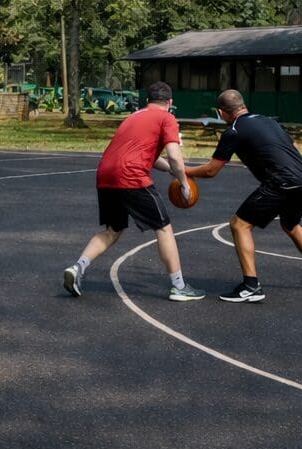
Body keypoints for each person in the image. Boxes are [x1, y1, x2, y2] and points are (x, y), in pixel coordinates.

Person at [185, 89, 302, 302]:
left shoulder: (233, 131)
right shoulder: (269, 121)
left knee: (239, 224)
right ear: (243, 105)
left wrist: (185, 170)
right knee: (290, 224)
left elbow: (211, 170)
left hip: (282, 182)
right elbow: (293, 147)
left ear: (222, 112)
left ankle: (251, 286)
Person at [62, 81, 205, 302]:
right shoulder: (167, 118)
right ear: (170, 103)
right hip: (131, 175)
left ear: (147, 101)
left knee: (112, 229)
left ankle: (77, 267)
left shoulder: (133, 117)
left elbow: (149, 154)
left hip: (105, 173)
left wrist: (170, 171)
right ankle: (179, 286)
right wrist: (184, 182)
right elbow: (175, 155)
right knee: (164, 227)